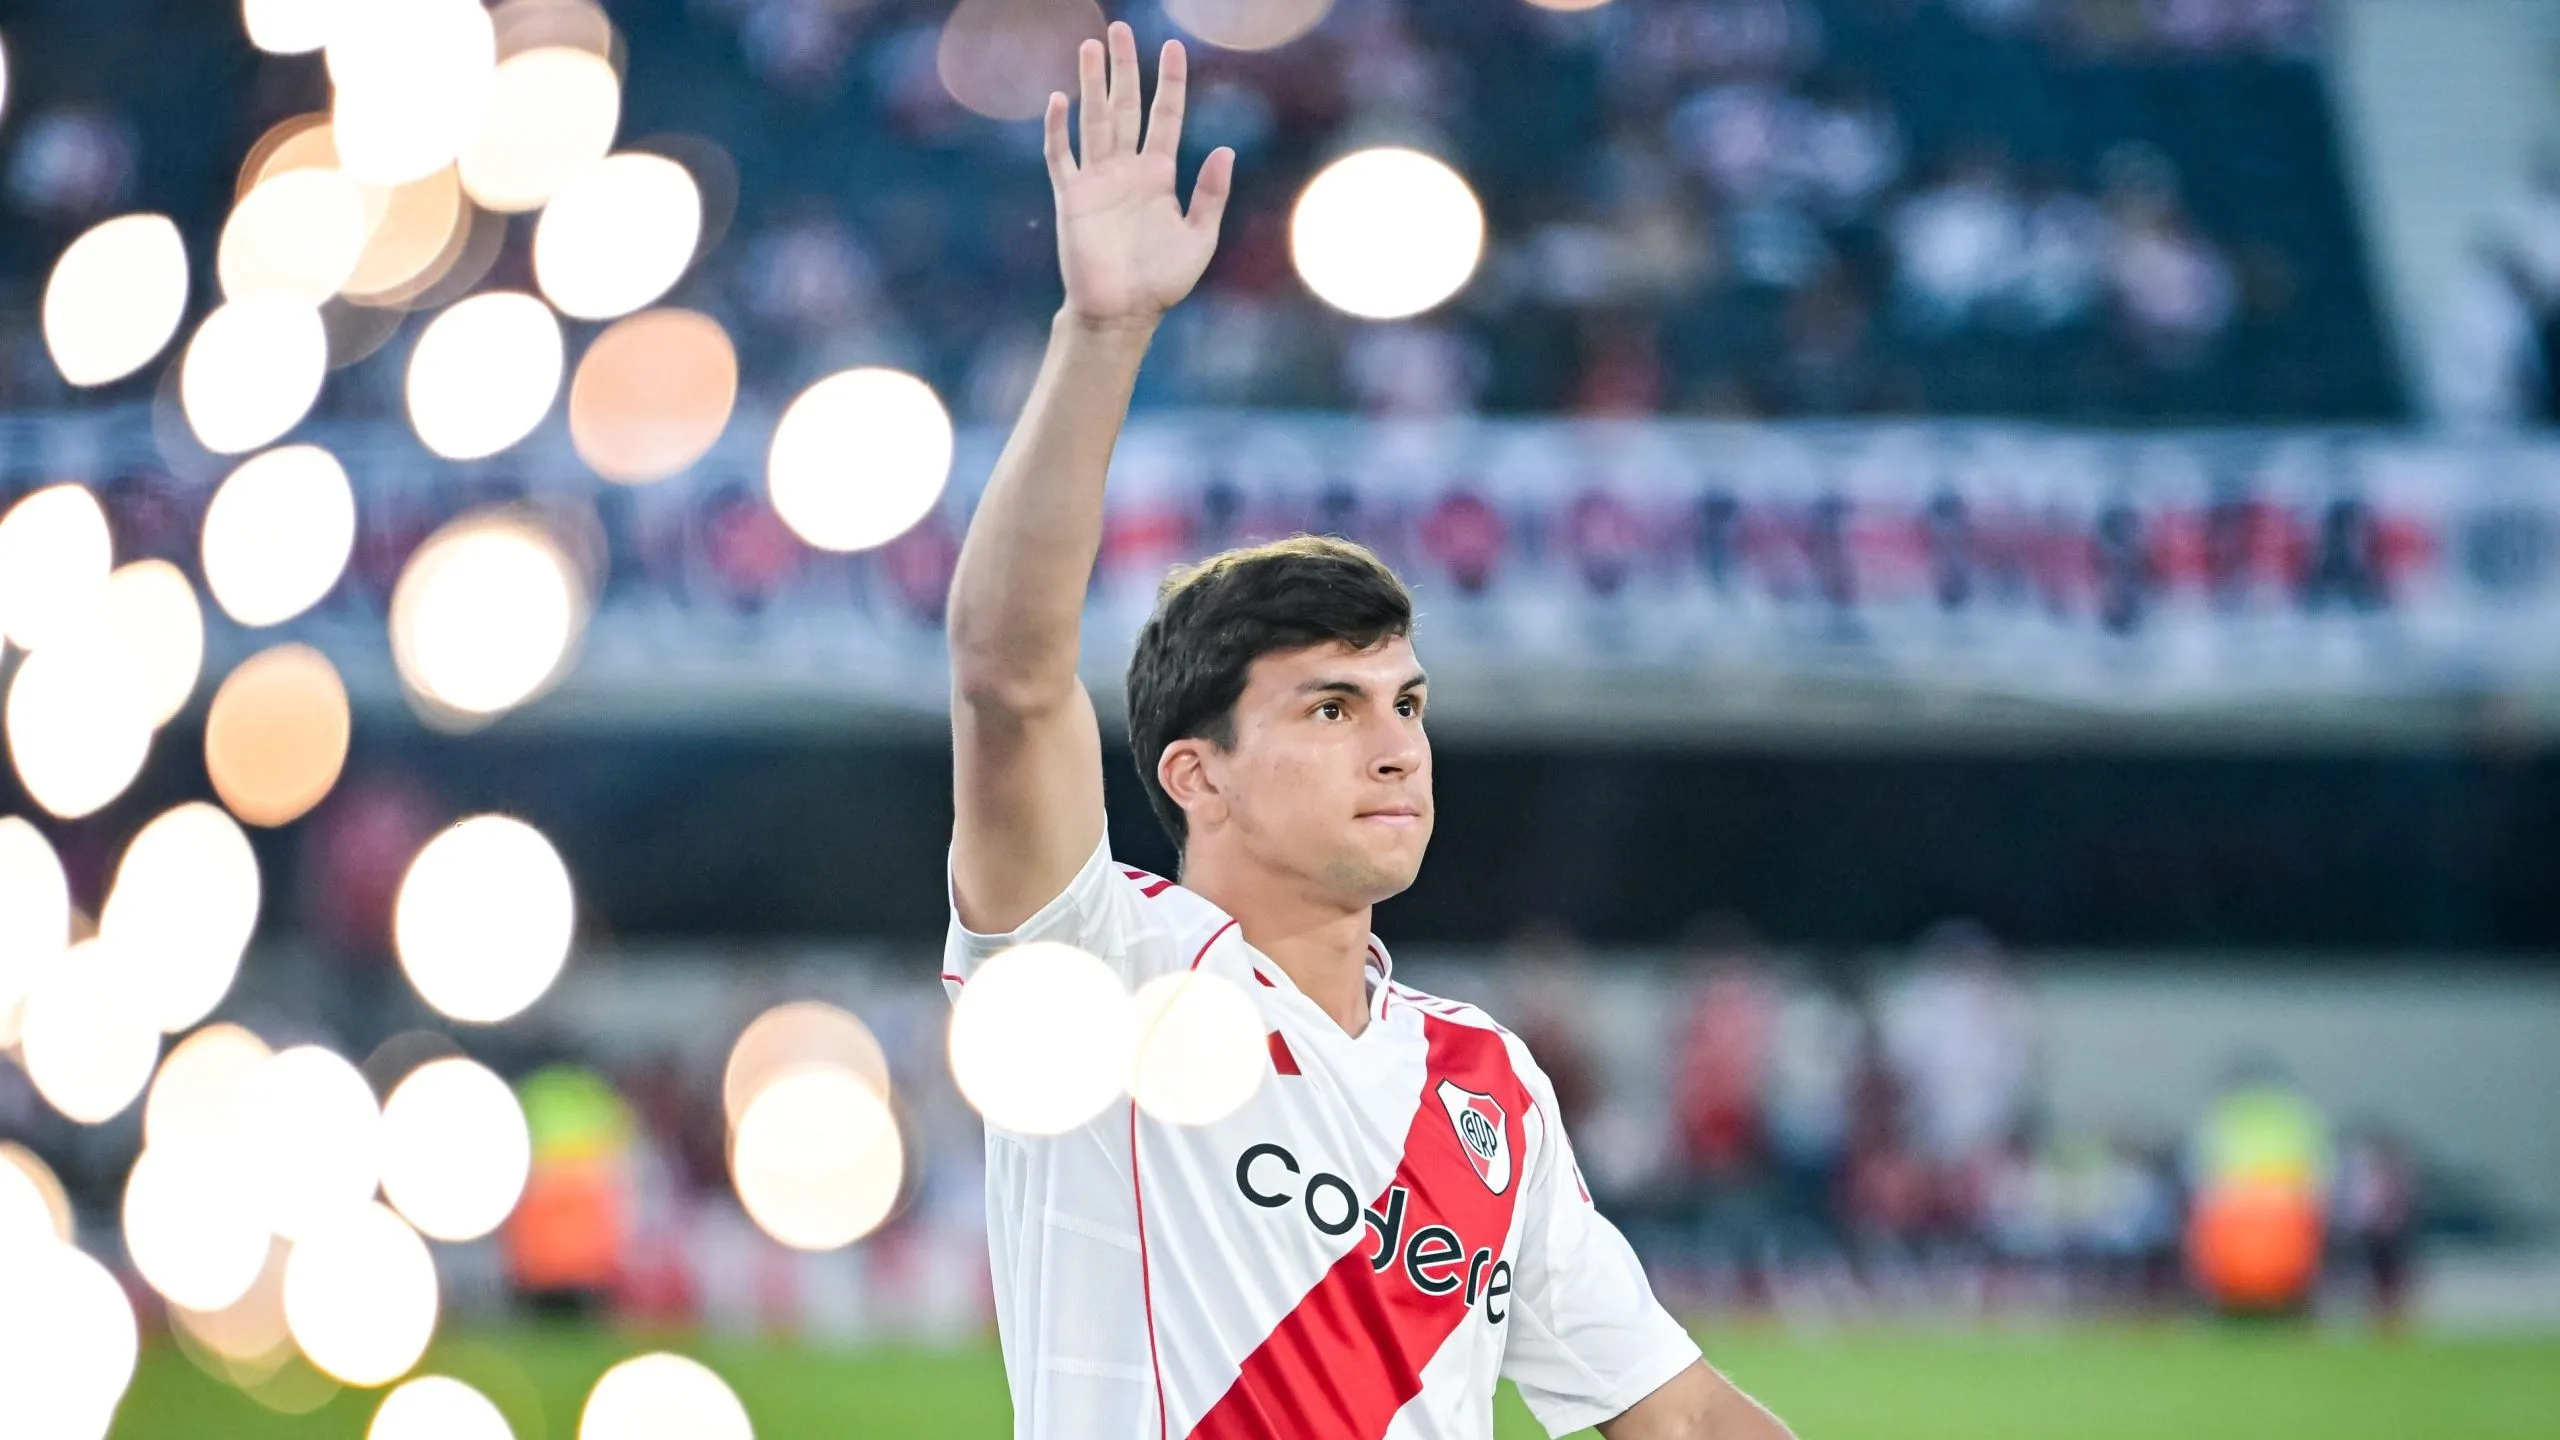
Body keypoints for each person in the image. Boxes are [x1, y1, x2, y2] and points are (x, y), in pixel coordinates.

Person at [942, 25, 1794, 1440]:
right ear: (1196, 773)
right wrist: (1104, 335)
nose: (1396, 746)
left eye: (1407, 704)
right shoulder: (1093, 969)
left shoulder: (1484, 1086)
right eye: (1331, 708)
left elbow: (1684, 1419)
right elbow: (1007, 677)